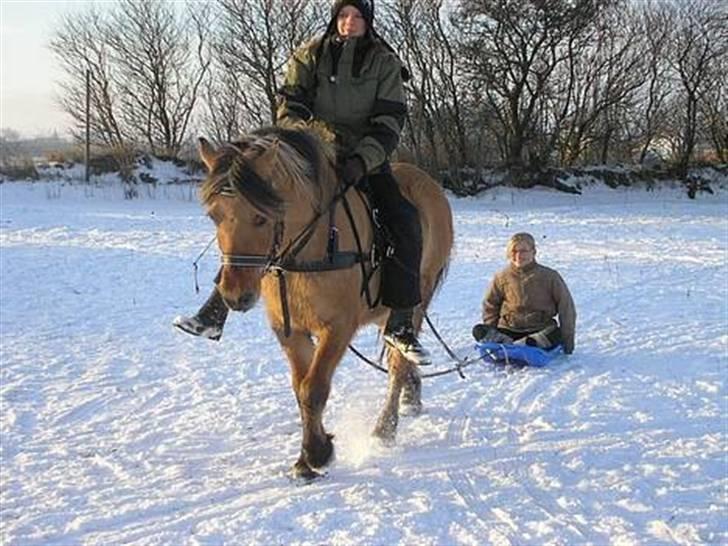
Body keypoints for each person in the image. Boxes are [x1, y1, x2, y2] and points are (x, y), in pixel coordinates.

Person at [174, 0, 431, 365]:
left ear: (367, 21)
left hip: (363, 161)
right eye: (343, 15)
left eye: (357, 16)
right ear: (335, 19)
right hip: (311, 158)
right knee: (255, 211)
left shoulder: (384, 63)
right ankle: (217, 308)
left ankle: (401, 322)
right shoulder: (310, 54)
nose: (349, 22)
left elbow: (389, 123)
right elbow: (291, 106)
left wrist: (361, 160)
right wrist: (306, 147)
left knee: (403, 219)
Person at [472, 233, 576, 354]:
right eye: (514, 251)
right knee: (478, 330)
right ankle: (510, 344)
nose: (519, 255)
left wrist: (568, 343)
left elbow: (566, 308)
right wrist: (491, 331)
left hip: (539, 330)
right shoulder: (501, 277)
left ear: (533, 252)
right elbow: (490, 305)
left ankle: (521, 345)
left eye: (524, 251)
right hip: (509, 330)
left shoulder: (550, 276)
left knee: (556, 334)